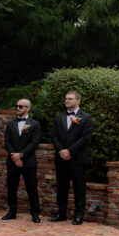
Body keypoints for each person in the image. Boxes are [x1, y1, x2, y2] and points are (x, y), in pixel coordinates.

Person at [50, 90, 94, 225]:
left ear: (78, 100)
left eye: (70, 98)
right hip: (61, 158)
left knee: (79, 187)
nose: (67, 101)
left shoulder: (86, 118)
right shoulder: (59, 117)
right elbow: (54, 136)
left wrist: (70, 151)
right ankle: (61, 213)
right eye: (66, 98)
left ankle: (79, 215)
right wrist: (61, 151)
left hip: (77, 158)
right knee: (61, 186)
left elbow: (85, 137)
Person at [2, 98, 41, 223]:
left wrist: (21, 155)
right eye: (16, 106)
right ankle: (12, 212)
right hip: (12, 160)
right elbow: (7, 142)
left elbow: (34, 142)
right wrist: (14, 156)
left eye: (20, 106)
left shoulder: (35, 124)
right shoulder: (10, 124)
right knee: (11, 187)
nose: (17, 108)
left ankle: (35, 213)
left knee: (32, 188)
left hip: (28, 161)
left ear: (28, 108)